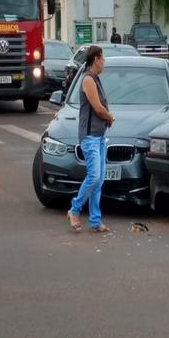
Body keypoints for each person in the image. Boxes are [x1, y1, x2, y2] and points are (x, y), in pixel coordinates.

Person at [67, 46, 114, 233]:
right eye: (103, 59)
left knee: (99, 180)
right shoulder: (88, 79)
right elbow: (98, 108)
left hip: (99, 136)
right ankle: (74, 209)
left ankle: (95, 220)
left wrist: (106, 120)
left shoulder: (96, 79)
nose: (104, 63)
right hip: (89, 137)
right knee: (94, 176)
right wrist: (110, 117)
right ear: (95, 59)